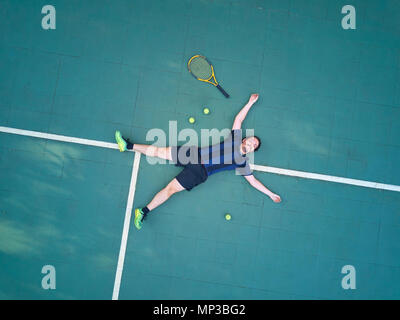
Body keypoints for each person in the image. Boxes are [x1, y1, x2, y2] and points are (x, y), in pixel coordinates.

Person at [115, 94, 281, 230]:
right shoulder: (235, 138)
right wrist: (250, 102)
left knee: (170, 189)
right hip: (193, 154)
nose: (252, 143)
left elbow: (253, 182)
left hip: (199, 173)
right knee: (159, 152)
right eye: (252, 140)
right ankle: (128, 145)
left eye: (255, 145)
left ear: (252, 150)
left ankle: (143, 211)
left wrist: (271, 194)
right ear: (245, 139)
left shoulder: (242, 162)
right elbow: (239, 120)